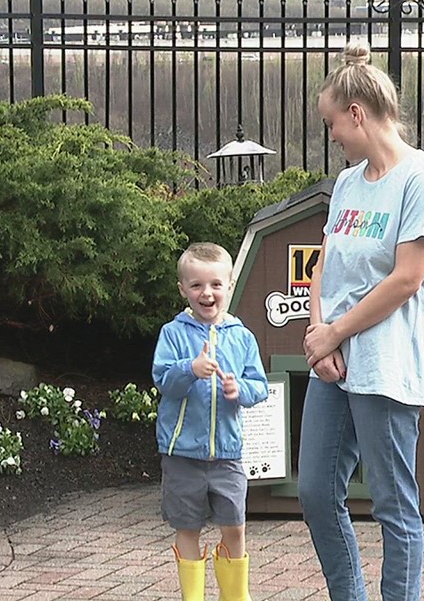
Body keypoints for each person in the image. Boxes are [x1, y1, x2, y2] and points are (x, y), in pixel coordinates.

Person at [297, 38, 424, 601]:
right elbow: (324, 264)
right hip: (334, 363)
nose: (332, 135)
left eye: (332, 123)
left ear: (357, 114)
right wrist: (319, 337)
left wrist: (335, 333)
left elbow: (406, 278)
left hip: (386, 366)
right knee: (316, 492)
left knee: (393, 505)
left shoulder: (421, 179)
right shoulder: (347, 183)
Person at [152, 242, 269, 601]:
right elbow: (163, 380)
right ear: (183, 289)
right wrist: (191, 369)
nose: (207, 293)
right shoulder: (173, 333)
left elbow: (259, 386)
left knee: (235, 526)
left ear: (229, 286)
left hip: (227, 456)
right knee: (188, 528)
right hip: (182, 455)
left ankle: (234, 596)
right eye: (197, 285)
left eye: (216, 284)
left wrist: (240, 389)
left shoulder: (242, 336)